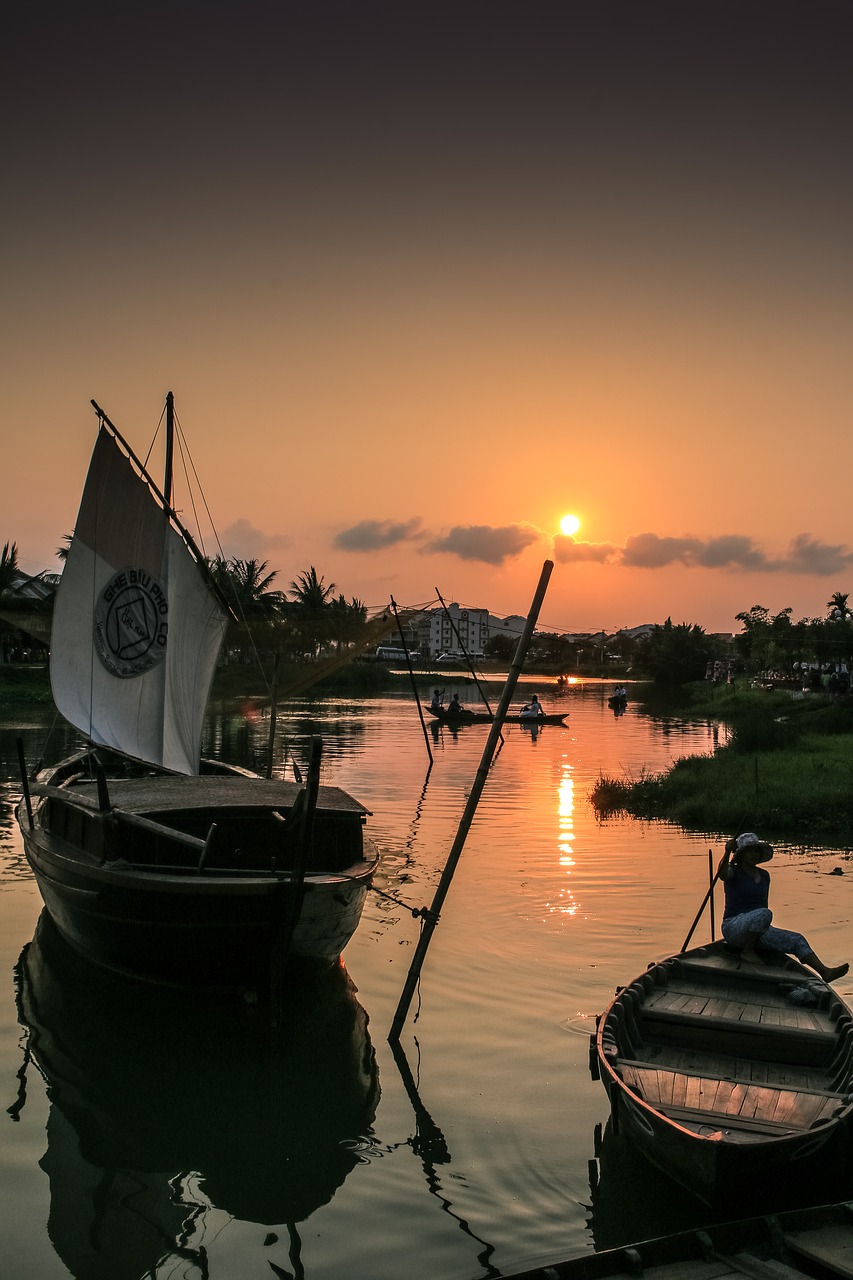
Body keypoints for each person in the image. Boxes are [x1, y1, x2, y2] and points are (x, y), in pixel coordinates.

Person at [718, 832, 848, 981]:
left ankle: (825, 971)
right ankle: (747, 952)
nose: (754, 854)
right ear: (741, 854)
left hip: (757, 928)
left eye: (756, 850)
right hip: (733, 928)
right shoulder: (733, 871)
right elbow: (721, 874)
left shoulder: (764, 875)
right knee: (764, 913)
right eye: (750, 851)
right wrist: (727, 851)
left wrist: (762, 931)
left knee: (796, 939)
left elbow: (761, 906)